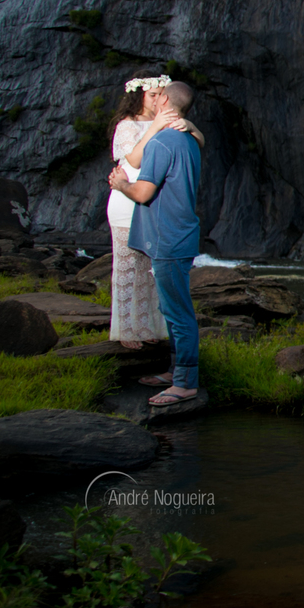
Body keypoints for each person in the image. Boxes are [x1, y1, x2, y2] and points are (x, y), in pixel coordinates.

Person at [108, 81, 203, 406]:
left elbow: (144, 191)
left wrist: (121, 184)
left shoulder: (161, 142)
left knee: (178, 313)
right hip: (180, 233)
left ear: (163, 99)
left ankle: (185, 383)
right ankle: (175, 371)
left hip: (168, 237)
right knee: (172, 307)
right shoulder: (189, 139)